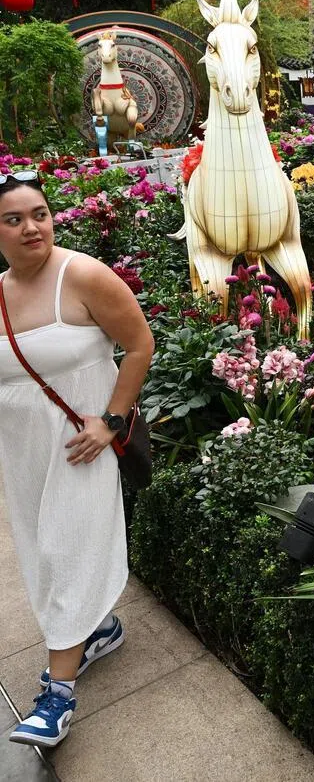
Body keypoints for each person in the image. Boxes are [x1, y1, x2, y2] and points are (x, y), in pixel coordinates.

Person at [0, 171, 154, 748]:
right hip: (22, 456)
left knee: (65, 550)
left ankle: (57, 694)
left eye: (39, 213)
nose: (31, 227)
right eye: (13, 219)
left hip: (81, 448)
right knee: (43, 554)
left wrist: (110, 418)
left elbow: (139, 345)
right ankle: (98, 631)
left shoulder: (83, 274)